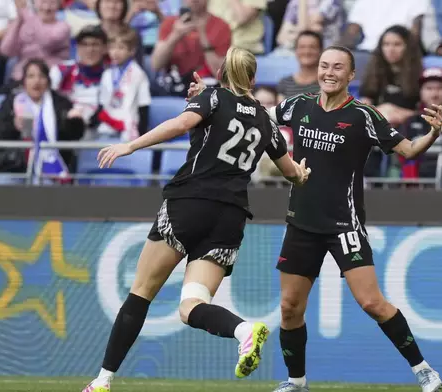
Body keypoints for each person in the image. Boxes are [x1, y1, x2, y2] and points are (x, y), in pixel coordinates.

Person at [187, 45, 442, 392]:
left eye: (338, 67)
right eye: (324, 66)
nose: (329, 72)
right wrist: (207, 97)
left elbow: (408, 149)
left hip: (345, 225)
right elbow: (253, 115)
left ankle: (424, 371)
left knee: (371, 302)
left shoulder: (364, 116)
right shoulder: (299, 105)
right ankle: (297, 383)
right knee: (290, 307)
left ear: (351, 75)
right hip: (301, 223)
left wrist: (432, 134)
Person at [81, 47, 311, 392]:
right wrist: (304, 174)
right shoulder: (265, 118)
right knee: (192, 306)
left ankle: (103, 380)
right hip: (230, 217)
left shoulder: (213, 98)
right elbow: (292, 172)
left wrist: (130, 146)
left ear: (222, 73)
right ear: (251, 78)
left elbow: (181, 123)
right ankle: (243, 330)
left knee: (141, 293)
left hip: (189, 204)